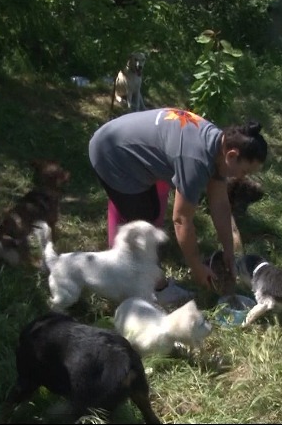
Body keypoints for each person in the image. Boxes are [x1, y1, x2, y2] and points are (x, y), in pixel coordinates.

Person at [88, 107, 267, 293]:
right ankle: (154, 288)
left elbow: (220, 205)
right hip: (110, 154)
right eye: (245, 171)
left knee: (150, 212)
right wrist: (197, 267)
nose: (241, 176)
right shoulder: (196, 161)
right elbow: (181, 220)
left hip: (121, 141)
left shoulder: (218, 146)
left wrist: (229, 251)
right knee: (143, 225)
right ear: (231, 155)